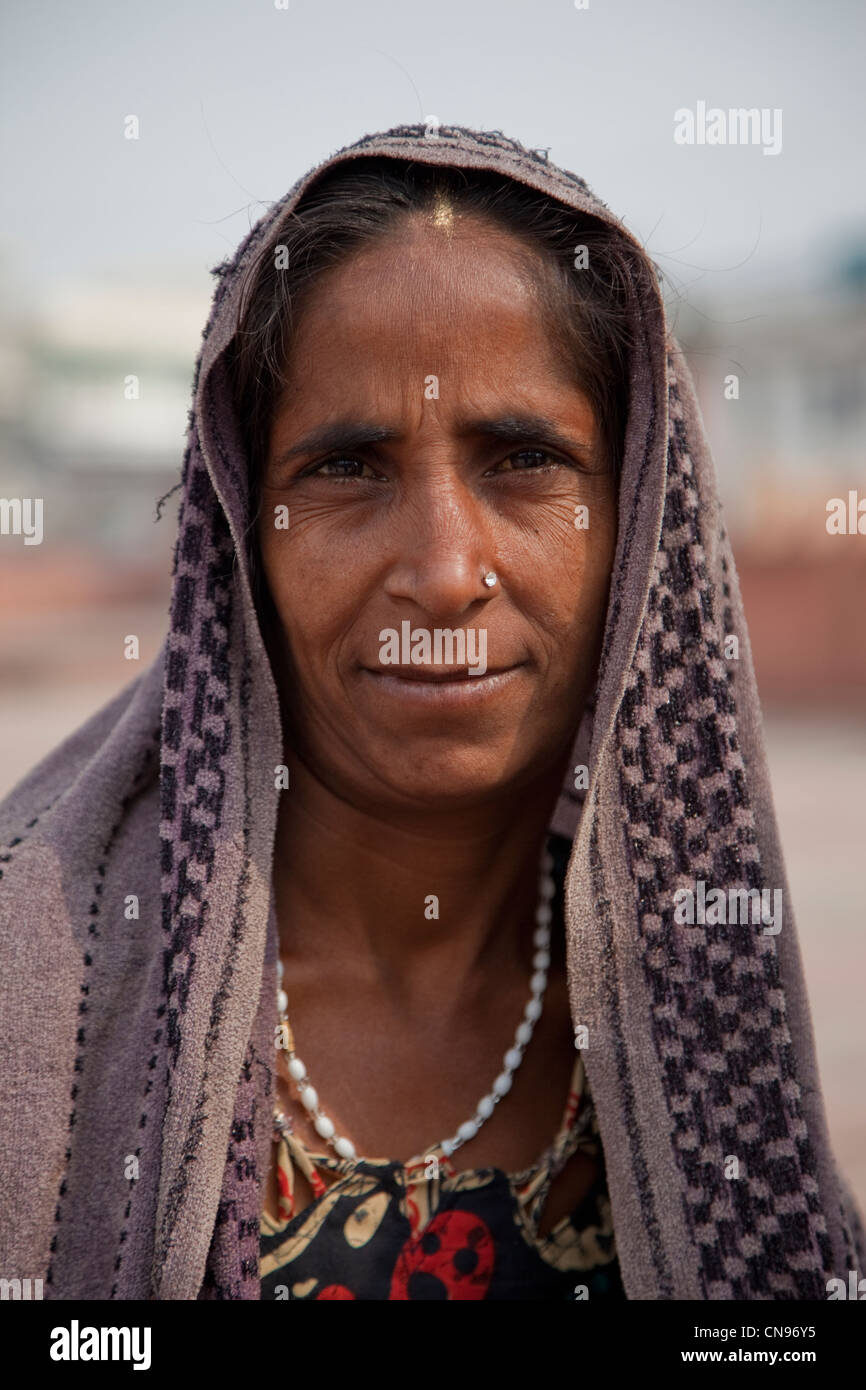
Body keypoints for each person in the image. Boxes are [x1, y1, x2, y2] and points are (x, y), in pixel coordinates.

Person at [0, 123, 862, 1302]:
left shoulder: (696, 992)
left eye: (521, 458)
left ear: (635, 528)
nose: (445, 570)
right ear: (244, 535)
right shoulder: (44, 976)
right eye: (347, 466)